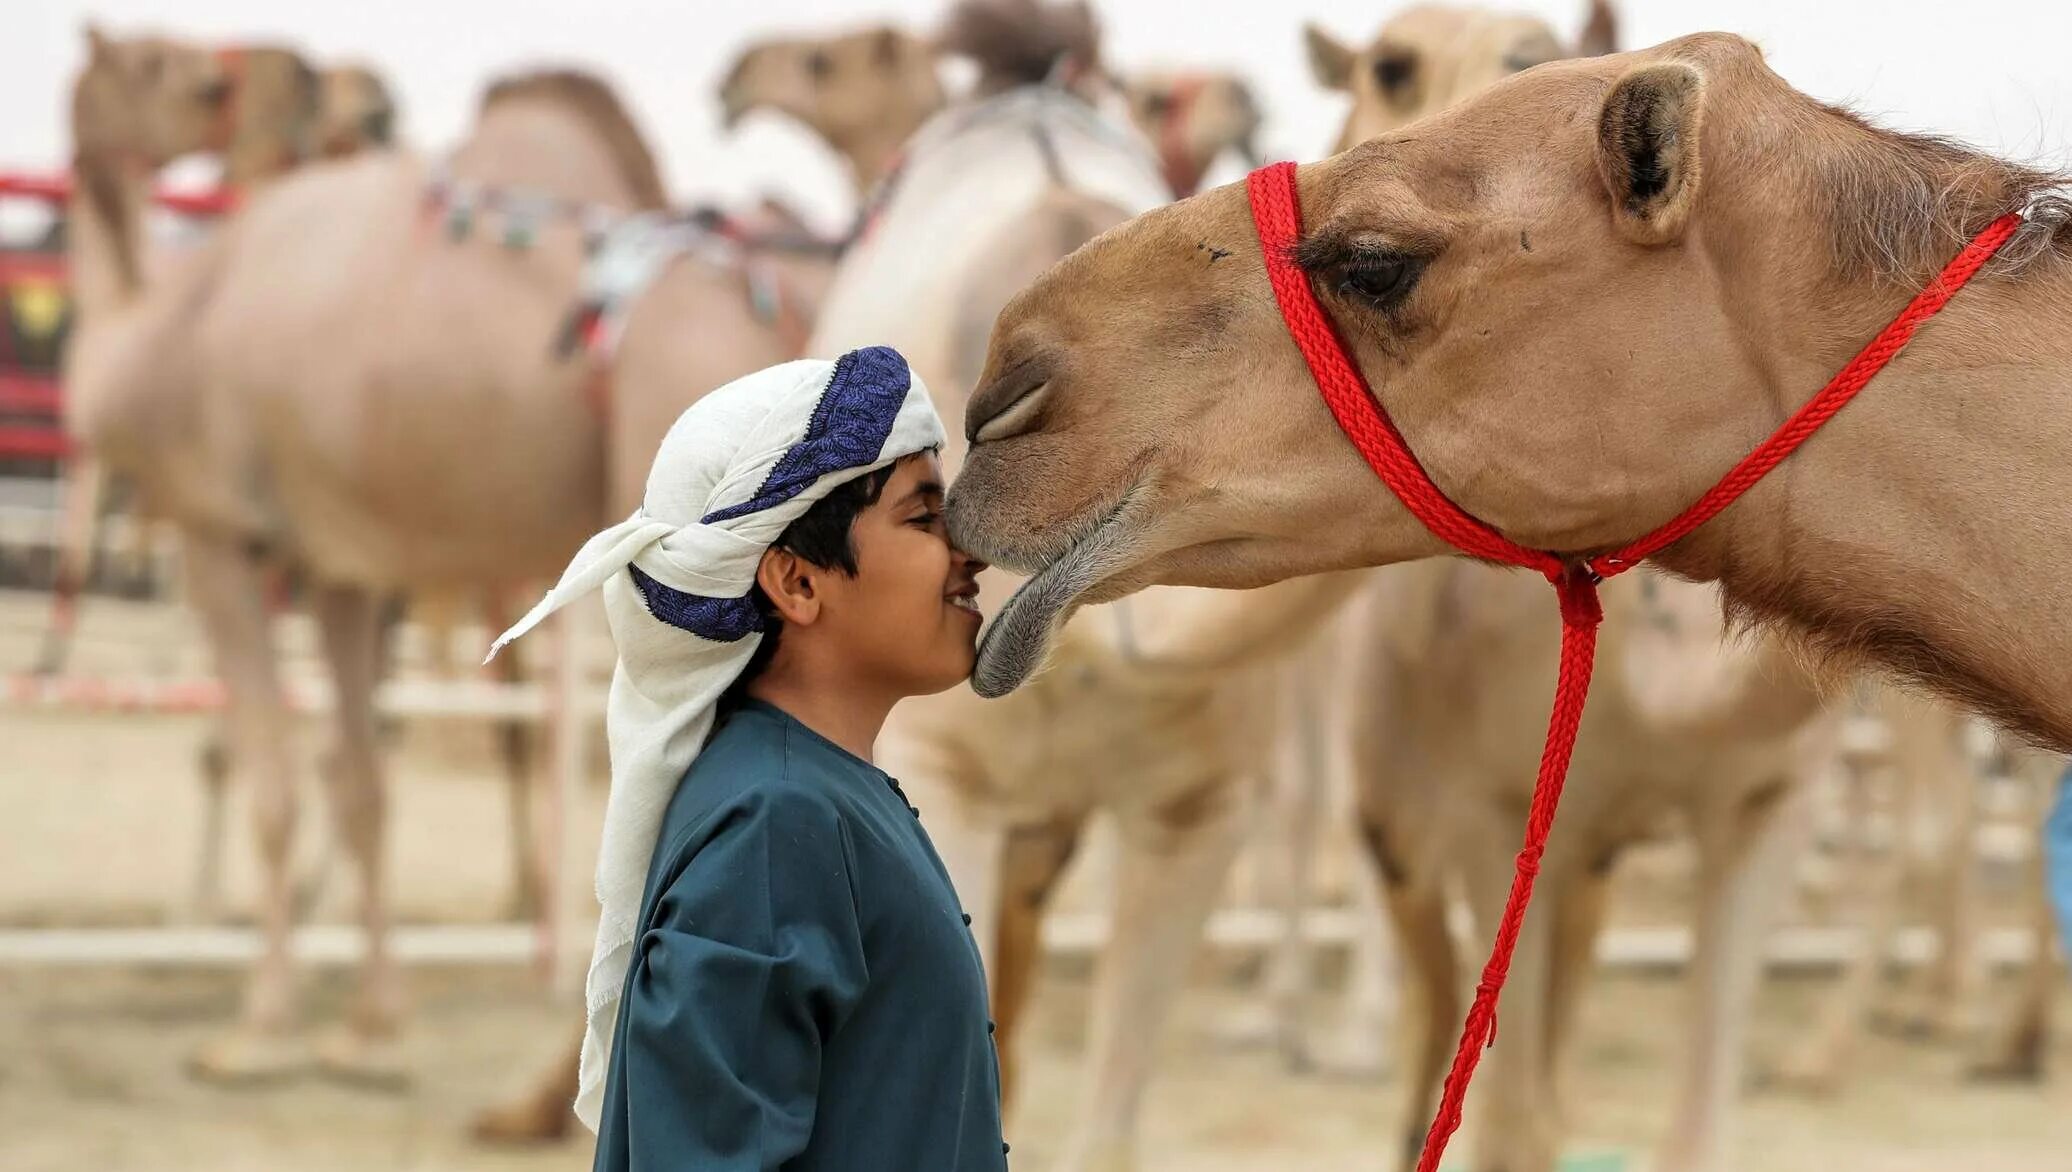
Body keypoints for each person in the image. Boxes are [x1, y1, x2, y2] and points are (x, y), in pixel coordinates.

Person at [488, 346, 1007, 1170]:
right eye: (922, 518)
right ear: (796, 583)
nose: (969, 552)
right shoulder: (777, 818)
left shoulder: (811, 795)